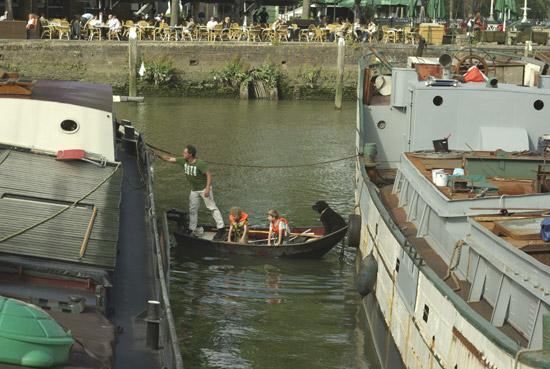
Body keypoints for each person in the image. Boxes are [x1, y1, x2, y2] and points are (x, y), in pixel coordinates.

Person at [159, 145, 225, 240]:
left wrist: (207, 189)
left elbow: (209, 175)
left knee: (212, 207)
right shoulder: (183, 161)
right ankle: (192, 228)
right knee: (193, 209)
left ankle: (221, 229)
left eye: (185, 153)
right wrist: (157, 155)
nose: (183, 154)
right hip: (194, 190)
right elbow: (169, 159)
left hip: (204, 189)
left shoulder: (200, 164)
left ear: (190, 154)